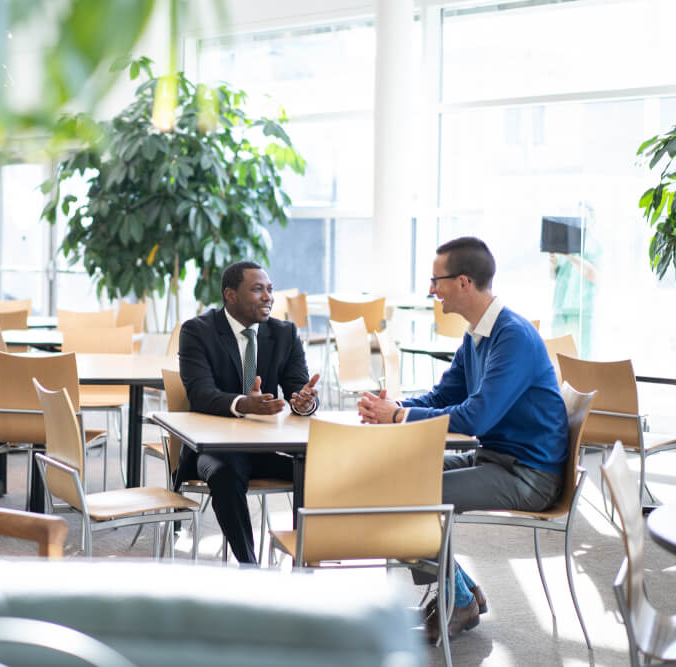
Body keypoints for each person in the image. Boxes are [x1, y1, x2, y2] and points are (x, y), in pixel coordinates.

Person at [357, 237, 567, 642]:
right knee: (384, 484)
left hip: (529, 474)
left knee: (405, 496)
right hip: (495, 459)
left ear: (464, 282)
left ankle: (460, 597)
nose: (431, 290)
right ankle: (463, 591)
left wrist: (398, 416)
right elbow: (444, 395)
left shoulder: (513, 336)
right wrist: (396, 405)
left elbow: (477, 416)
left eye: (436, 280)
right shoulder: (477, 334)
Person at [176, 261, 320, 565]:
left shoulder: (284, 333)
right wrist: (243, 403)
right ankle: (249, 567)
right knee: (225, 474)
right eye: (257, 289)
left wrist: (304, 402)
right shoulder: (198, 331)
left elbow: (297, 388)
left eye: (270, 289)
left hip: (266, 447)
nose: (268, 297)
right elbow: (201, 394)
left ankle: (309, 559)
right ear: (230, 295)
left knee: (320, 469)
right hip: (215, 449)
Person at [549, 207, 599, 357]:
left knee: (581, 358)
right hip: (560, 308)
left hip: (581, 311)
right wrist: (553, 261)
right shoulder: (566, 242)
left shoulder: (593, 245)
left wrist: (571, 256)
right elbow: (554, 276)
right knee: (557, 357)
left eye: (584, 218)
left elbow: (593, 275)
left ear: (592, 221)